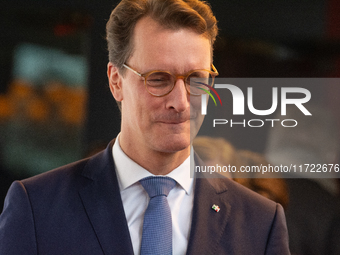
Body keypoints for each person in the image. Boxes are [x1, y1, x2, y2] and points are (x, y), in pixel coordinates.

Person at [0, 0, 290, 254]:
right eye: (159, 79)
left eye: (196, 79)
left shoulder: (260, 222)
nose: (181, 102)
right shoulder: (37, 208)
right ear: (116, 81)